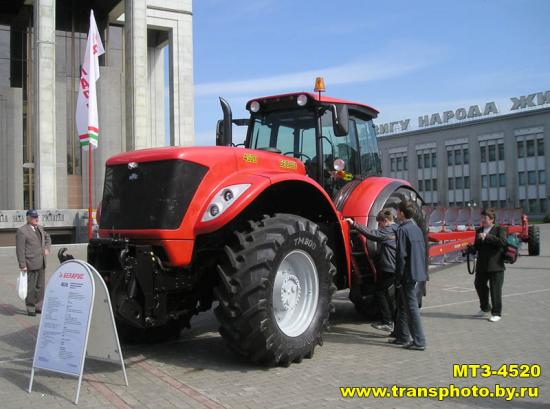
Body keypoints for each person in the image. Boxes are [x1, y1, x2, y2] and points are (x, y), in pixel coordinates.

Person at [345, 209, 398, 332]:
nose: (379, 226)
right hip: (396, 267)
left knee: (380, 291)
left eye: (379, 223)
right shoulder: (398, 228)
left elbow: (373, 234)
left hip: (389, 268)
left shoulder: (388, 230)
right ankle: (394, 322)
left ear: (385, 221)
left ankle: (387, 321)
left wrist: (354, 224)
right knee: (389, 294)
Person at [391, 201, 427, 351]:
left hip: (407, 274)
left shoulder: (402, 230)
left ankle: (419, 341)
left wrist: (398, 277)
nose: (396, 214)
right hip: (418, 272)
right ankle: (407, 338)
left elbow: (401, 256)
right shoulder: (416, 229)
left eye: (397, 211)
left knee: (411, 309)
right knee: (410, 308)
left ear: (402, 213)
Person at [472, 208, 507, 322]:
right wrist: (470, 249)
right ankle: (485, 307)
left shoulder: (499, 229)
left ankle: (496, 313)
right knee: (479, 284)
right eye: (481, 218)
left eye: (485, 218)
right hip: (482, 264)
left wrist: (487, 237)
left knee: (495, 289)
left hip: (495, 265)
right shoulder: (479, 230)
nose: (482, 220)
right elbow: (477, 246)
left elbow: (502, 242)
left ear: (492, 219)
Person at [16, 209, 51, 316]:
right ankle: (30, 307)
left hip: (41, 262)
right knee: (31, 287)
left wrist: (47, 248)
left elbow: (47, 237)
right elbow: (20, 249)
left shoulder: (40, 228)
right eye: (34, 217)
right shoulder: (22, 231)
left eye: (37, 217)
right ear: (28, 218)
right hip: (30, 262)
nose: (36, 219)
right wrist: (22, 265)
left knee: (40, 287)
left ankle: (39, 306)